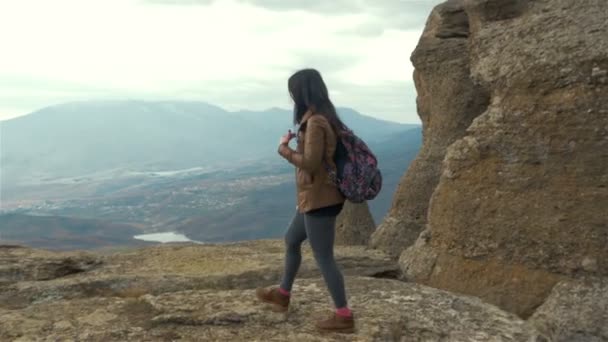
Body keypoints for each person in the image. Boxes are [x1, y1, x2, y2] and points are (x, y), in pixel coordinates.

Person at [255, 68, 355, 333]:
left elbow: (310, 163)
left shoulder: (316, 123)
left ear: (301, 92)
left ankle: (343, 315)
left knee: (324, 257)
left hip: (320, 199)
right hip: (314, 197)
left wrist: (283, 149)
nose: (291, 98)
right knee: (291, 240)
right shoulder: (322, 118)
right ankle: (283, 294)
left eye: (293, 92)